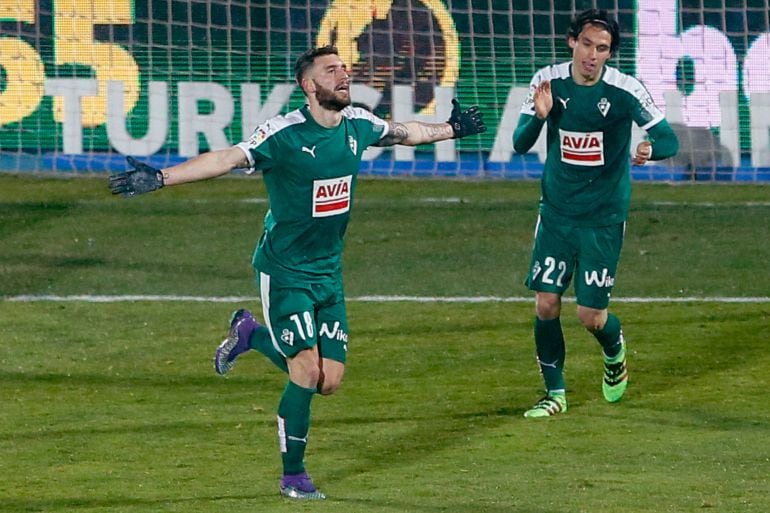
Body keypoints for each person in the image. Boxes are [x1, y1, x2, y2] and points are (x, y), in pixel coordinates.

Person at [109, 45, 486, 499]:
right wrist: (163, 177)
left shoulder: (358, 124)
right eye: (331, 71)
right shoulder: (283, 133)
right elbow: (228, 158)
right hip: (285, 271)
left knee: (330, 381)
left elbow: (405, 133)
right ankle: (293, 477)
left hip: (328, 272)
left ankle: (250, 333)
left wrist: (453, 128)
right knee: (305, 373)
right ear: (309, 86)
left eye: (344, 69)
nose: (343, 76)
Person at [512, 9, 678, 418]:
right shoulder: (546, 81)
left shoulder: (624, 89)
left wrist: (650, 150)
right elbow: (519, 143)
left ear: (609, 54)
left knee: (591, 315)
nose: (592, 54)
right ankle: (555, 394)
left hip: (603, 216)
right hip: (556, 212)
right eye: (586, 44)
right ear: (572, 42)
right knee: (546, 303)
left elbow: (668, 139)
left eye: (601, 48)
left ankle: (614, 352)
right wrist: (539, 116)